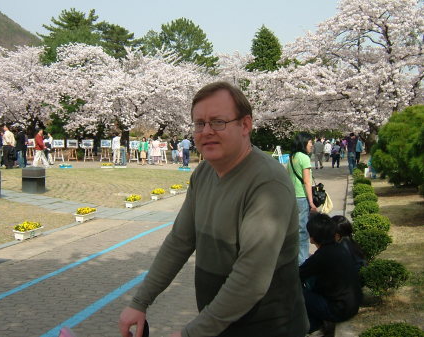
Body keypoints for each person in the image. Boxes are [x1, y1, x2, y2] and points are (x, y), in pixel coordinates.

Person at [119, 81, 308, 337]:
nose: (206, 131)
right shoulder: (204, 173)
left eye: (218, 122)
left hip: (268, 326)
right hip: (219, 324)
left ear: (245, 125)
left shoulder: (267, 182)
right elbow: (180, 242)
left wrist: (192, 333)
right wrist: (140, 302)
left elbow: (250, 280)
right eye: (199, 123)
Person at [300, 214, 362, 335]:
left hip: (338, 310)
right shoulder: (340, 248)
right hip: (352, 305)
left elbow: (297, 275)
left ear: (312, 238)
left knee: (297, 292)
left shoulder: (322, 255)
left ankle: (307, 326)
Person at [287, 132, 318, 265]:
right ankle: (303, 262)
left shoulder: (291, 157)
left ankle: (296, 258)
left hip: (292, 197)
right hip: (301, 197)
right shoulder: (304, 158)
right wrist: (311, 202)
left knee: (295, 229)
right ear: (304, 142)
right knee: (303, 231)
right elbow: (307, 181)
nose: (312, 145)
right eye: (310, 142)